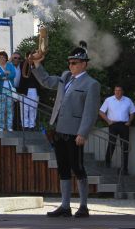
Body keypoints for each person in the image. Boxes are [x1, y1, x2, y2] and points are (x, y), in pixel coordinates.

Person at [31, 41, 100, 218]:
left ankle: (83, 206)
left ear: (84, 64)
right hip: (60, 129)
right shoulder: (66, 76)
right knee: (63, 168)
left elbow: (90, 111)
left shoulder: (91, 84)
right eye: (69, 62)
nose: (71, 65)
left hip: (75, 131)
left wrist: (83, 133)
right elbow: (46, 81)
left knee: (77, 168)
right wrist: (37, 64)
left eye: (74, 63)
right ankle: (65, 205)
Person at [99, 85, 135, 175]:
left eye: (119, 90)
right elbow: (101, 112)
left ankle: (125, 168)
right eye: (116, 90)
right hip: (113, 124)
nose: (117, 92)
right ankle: (107, 163)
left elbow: (133, 112)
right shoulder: (109, 100)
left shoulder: (128, 100)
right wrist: (108, 121)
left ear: (122, 91)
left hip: (124, 125)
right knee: (111, 143)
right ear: (114, 91)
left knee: (125, 146)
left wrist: (130, 121)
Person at [18, 51, 41, 130]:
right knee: (24, 108)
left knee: (33, 108)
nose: (32, 58)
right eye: (30, 57)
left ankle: (32, 125)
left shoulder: (37, 65)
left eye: (33, 57)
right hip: (24, 90)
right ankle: (25, 125)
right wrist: (28, 61)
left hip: (34, 90)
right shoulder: (23, 65)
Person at [0, 51, 16, 131]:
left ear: (6, 58)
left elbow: (13, 74)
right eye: (0, 57)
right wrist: (5, 73)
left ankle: (9, 127)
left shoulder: (10, 65)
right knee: (1, 110)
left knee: (10, 109)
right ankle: (1, 127)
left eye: (3, 57)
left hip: (9, 90)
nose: (2, 59)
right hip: (0, 90)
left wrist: (5, 76)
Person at [11, 52, 23, 130]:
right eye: (15, 58)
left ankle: (19, 126)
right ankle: (12, 126)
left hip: (20, 89)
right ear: (12, 58)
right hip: (11, 88)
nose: (17, 59)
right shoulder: (8, 66)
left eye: (18, 58)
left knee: (19, 109)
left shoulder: (22, 66)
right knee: (11, 108)